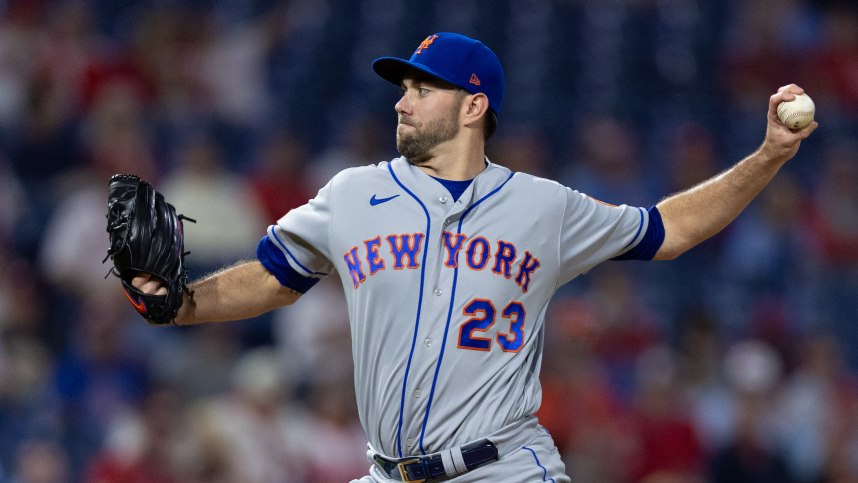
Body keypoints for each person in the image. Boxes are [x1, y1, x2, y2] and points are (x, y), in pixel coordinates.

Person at [129, 32, 816, 482]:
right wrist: (181, 302)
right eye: (403, 87)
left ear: (472, 107)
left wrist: (766, 156)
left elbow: (668, 229)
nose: (402, 101)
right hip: (386, 470)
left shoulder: (543, 207)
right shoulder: (352, 193)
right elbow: (275, 277)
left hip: (503, 469)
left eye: (422, 88)